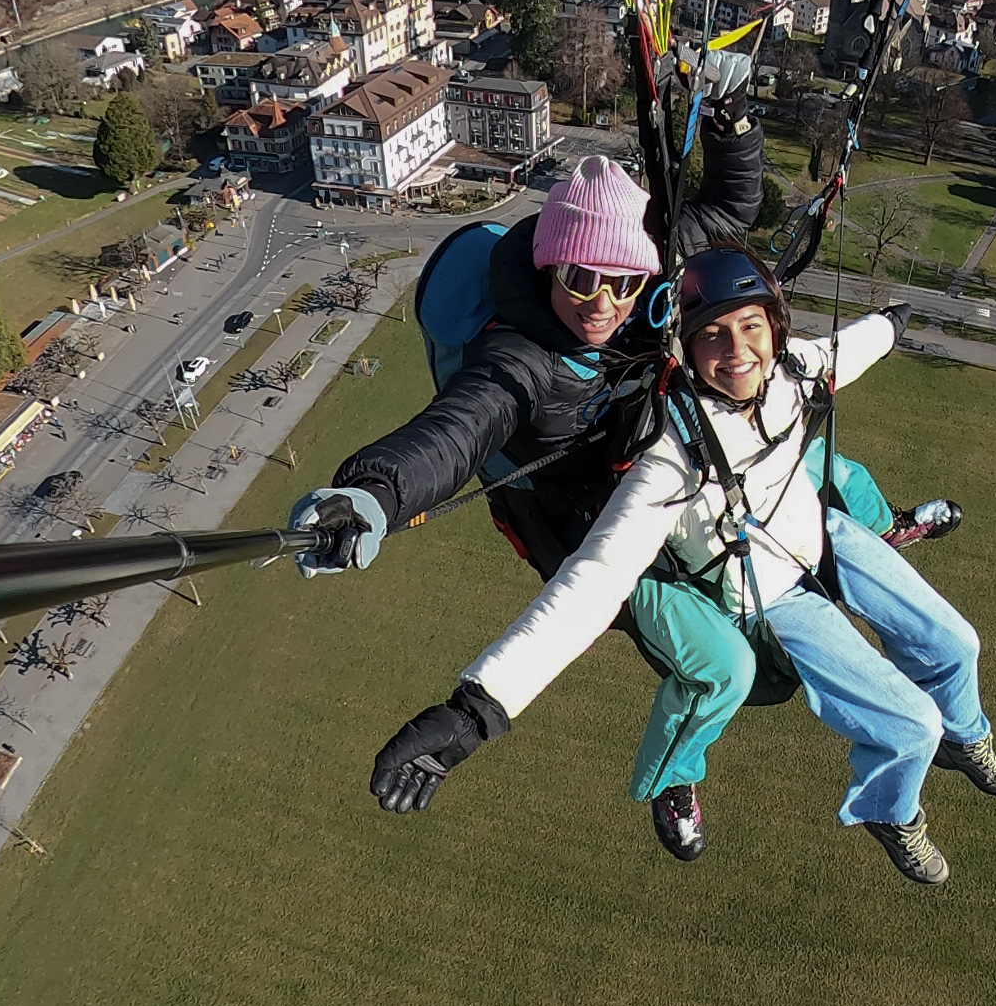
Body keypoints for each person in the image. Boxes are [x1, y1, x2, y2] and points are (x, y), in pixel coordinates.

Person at [291, 69, 955, 860]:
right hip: (598, 524)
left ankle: (884, 533)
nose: (601, 303)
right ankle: (676, 779)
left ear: (647, 277)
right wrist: (371, 495)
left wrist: (732, 130)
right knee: (724, 667)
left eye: (621, 283)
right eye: (580, 280)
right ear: (548, 268)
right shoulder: (522, 361)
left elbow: (729, 211)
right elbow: (451, 435)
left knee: (817, 463)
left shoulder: (649, 278)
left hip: (686, 463)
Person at [365, 246, 996, 885]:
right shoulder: (668, 462)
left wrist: (892, 323)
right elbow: (592, 583)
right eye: (712, 337)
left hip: (816, 533)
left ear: (775, 327)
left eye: (750, 327)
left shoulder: (789, 369)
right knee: (911, 723)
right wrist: (478, 708)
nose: (737, 352)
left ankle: (967, 739)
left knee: (958, 642)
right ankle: (890, 810)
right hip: (769, 591)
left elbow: (842, 352)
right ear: (685, 349)